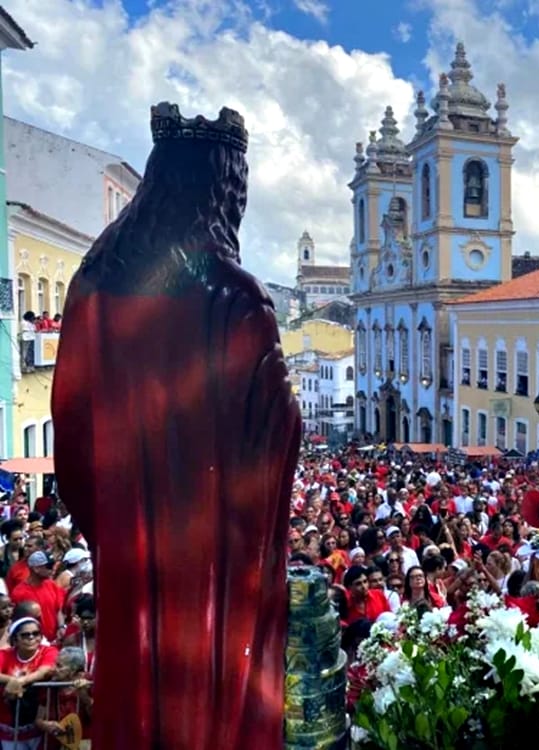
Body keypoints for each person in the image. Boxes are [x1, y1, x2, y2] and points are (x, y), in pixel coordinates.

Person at [51, 103, 301, 750]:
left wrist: (120, 525)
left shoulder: (92, 285)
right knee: (207, 687)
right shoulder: (237, 298)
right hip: (208, 554)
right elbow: (272, 439)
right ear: (223, 185)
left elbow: (71, 437)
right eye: (236, 183)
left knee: (138, 685)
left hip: (133, 544)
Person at [0, 617, 57, 750]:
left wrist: (20, 681)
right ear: (15, 640)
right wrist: (11, 681)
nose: (31, 637)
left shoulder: (49, 651)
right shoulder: (5, 654)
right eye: (25, 635)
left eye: (36, 633)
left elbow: (45, 671)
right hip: (9, 723)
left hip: (39, 722)